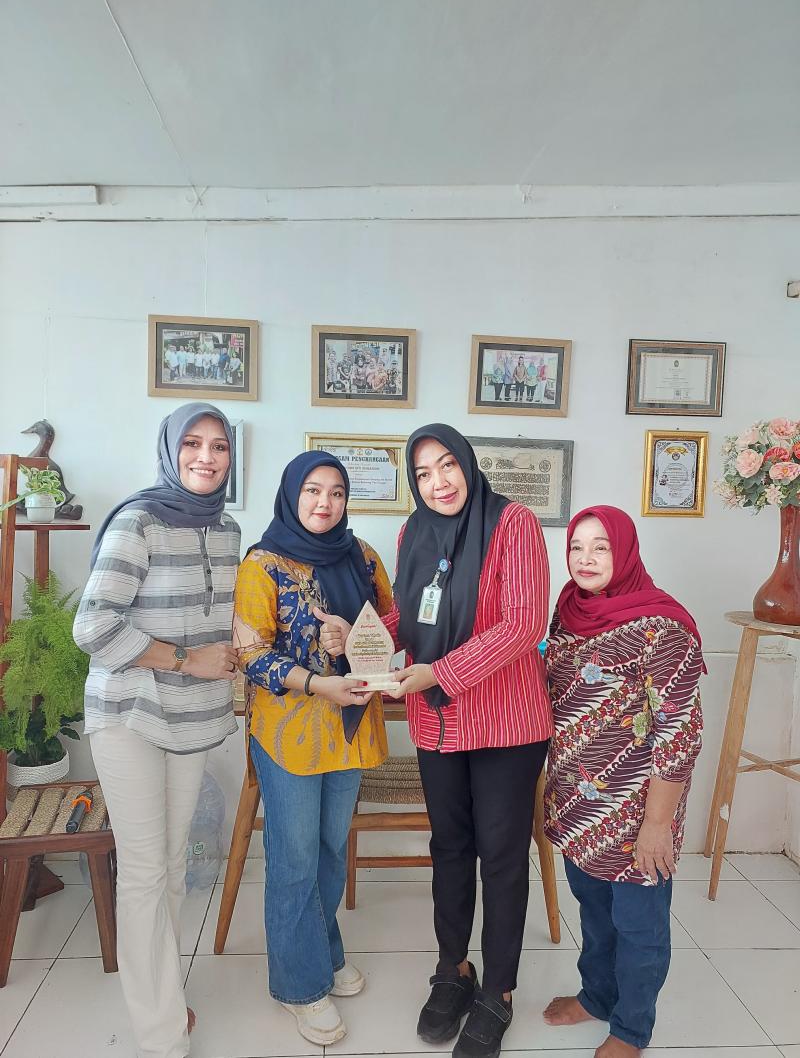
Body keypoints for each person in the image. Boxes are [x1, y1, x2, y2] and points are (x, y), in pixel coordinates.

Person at [320, 424, 551, 1058]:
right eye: (423, 473)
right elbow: (412, 613)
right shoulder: (413, 532)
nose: (438, 482)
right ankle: (454, 970)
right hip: (438, 723)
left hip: (506, 722)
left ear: (467, 465)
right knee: (449, 847)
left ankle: (498, 991)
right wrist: (360, 633)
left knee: (501, 856)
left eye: (447, 465)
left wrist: (441, 674)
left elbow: (523, 624)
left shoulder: (513, 524)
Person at [73, 403, 241, 1058]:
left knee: (172, 865)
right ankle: (161, 1033)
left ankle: (162, 992)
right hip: (130, 713)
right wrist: (186, 659)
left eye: (219, 446)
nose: (206, 456)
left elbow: (222, 616)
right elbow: (92, 627)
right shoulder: (138, 521)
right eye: (192, 443)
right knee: (145, 871)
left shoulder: (227, 530)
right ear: (171, 451)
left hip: (192, 718)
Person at [233, 451, 393, 1047]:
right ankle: (297, 986)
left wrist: (354, 637)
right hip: (290, 735)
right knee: (295, 856)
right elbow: (251, 653)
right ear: (291, 494)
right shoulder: (263, 565)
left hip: (349, 729)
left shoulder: (363, 556)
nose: (325, 502)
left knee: (329, 848)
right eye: (313, 490)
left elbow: (391, 625)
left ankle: (323, 954)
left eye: (336, 492)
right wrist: (316, 683)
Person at [542, 506, 704, 1058]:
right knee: (594, 912)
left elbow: (679, 733)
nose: (585, 559)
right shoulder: (568, 611)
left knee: (639, 926)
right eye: (577, 546)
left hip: (637, 813)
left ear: (627, 552)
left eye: (601, 547)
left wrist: (658, 825)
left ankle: (632, 1029)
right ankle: (597, 996)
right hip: (577, 806)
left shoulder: (663, 628)